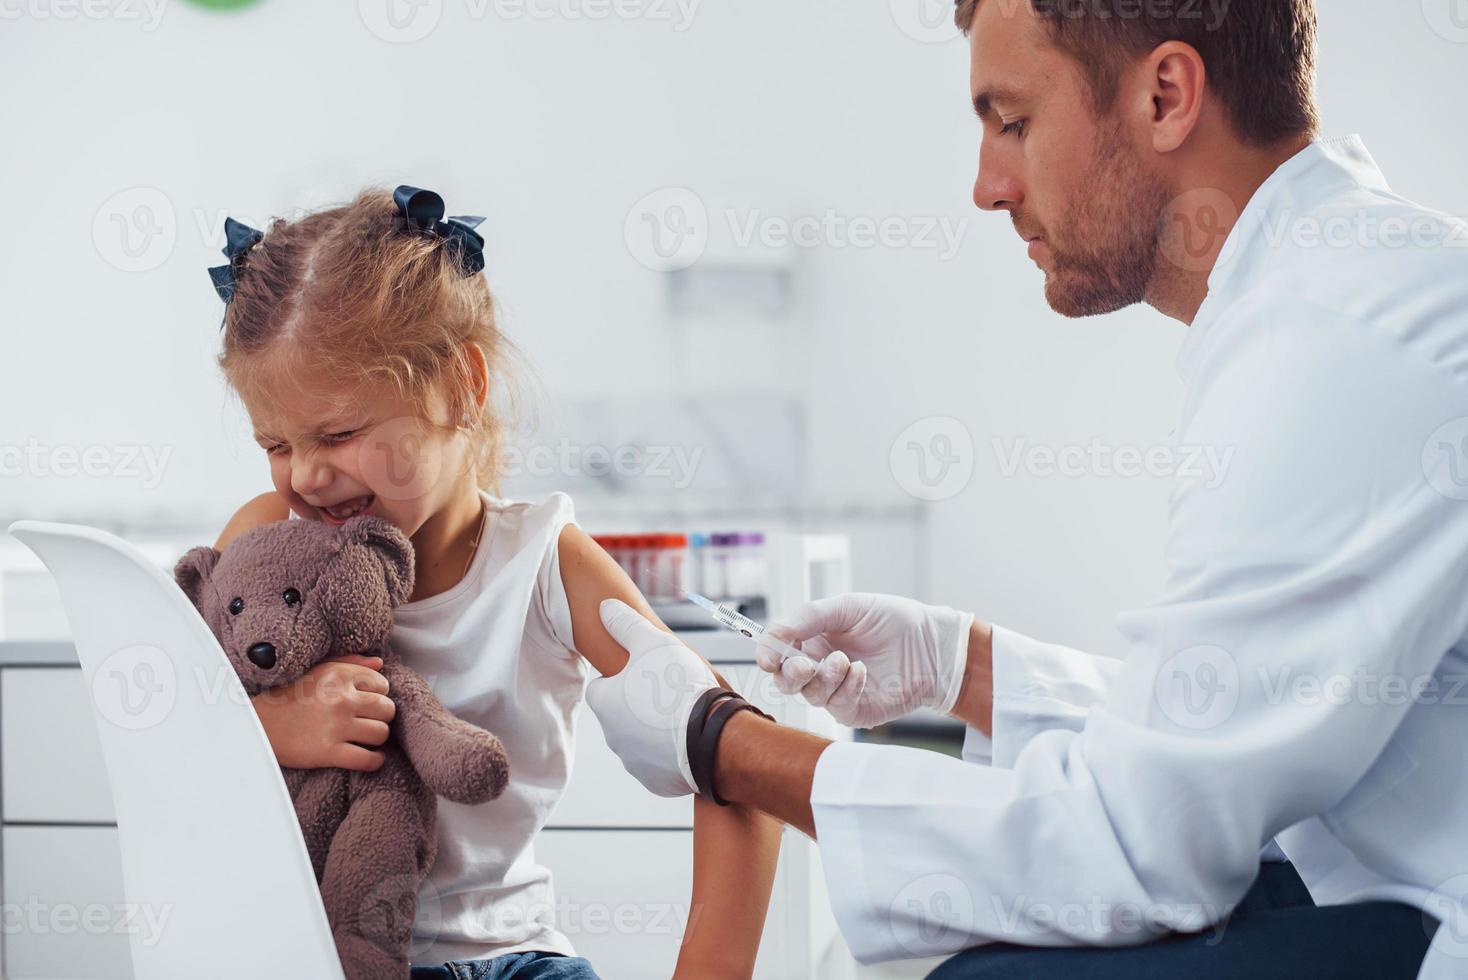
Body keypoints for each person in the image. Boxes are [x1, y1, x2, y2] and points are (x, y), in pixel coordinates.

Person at [582, 1, 1468, 977]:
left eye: (1011, 121)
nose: (985, 186)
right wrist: (960, 665)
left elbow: (1140, 842)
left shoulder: (1337, 348)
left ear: (1165, 97)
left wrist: (720, 741)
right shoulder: (1333, 294)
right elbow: (1209, 732)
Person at [207, 185, 781, 979]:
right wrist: (269, 726)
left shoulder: (543, 564)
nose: (304, 474)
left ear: (460, 385)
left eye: (339, 434)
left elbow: (737, 768)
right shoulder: (264, 547)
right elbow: (167, 734)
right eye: (275, 442)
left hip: (514, 960)